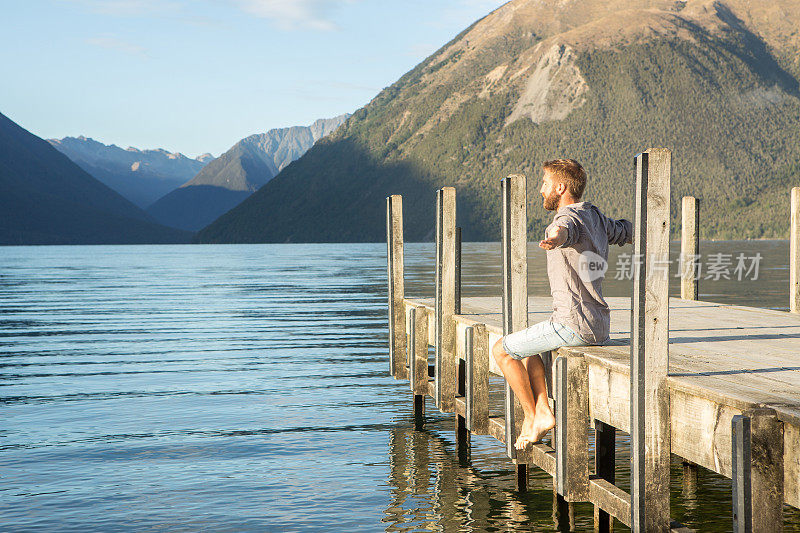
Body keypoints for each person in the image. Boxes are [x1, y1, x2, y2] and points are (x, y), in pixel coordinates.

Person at [492, 159, 633, 450]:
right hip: (598, 324)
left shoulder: (565, 220)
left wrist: (554, 237)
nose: (541, 190)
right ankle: (543, 409)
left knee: (502, 351)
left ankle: (532, 416)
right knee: (531, 349)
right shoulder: (595, 217)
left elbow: (565, 230)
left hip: (574, 324)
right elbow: (625, 230)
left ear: (561, 187)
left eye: (544, 184)